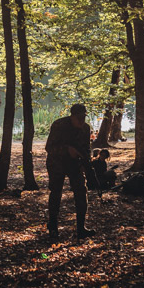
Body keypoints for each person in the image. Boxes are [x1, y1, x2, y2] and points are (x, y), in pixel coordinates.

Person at [45, 103, 94, 240]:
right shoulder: (59, 125)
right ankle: (53, 226)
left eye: (83, 117)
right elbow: (49, 148)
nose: (81, 120)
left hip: (75, 164)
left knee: (81, 192)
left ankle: (81, 228)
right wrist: (67, 150)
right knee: (56, 193)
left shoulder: (85, 129)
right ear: (72, 116)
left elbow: (86, 148)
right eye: (78, 118)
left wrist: (86, 162)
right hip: (57, 163)